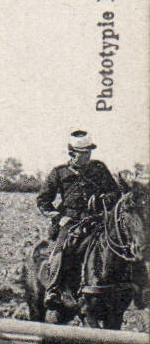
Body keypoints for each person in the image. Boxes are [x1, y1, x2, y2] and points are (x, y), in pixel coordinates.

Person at [36, 131, 122, 308]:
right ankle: (53, 290)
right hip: (71, 222)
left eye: (89, 151)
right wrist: (60, 218)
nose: (88, 155)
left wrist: (103, 199)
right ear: (72, 153)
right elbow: (43, 201)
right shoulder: (59, 173)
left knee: (121, 243)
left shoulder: (99, 169)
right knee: (63, 249)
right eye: (84, 152)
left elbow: (116, 192)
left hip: (98, 220)